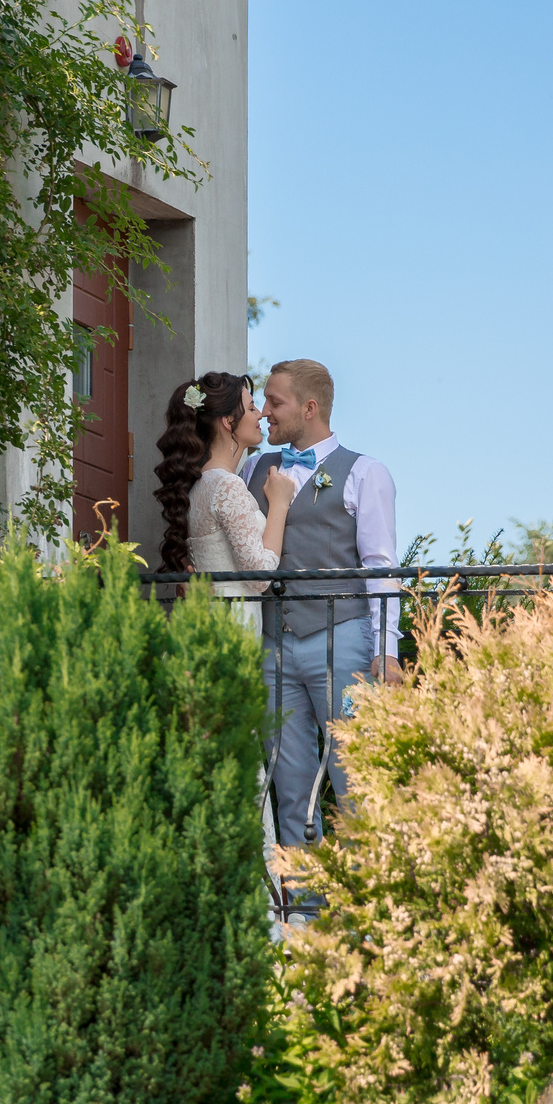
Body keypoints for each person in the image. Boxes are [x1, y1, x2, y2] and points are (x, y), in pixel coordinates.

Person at [242, 358, 401, 851]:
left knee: (354, 777)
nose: (265, 412)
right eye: (263, 401)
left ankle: (364, 894)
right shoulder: (252, 469)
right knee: (289, 784)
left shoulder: (365, 473)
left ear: (309, 408)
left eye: (275, 402)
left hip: (344, 640)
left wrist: (387, 650)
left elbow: (380, 565)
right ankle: (303, 896)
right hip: (273, 645)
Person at [153, 371, 296, 633]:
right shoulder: (228, 485)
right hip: (233, 620)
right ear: (229, 421)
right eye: (251, 408)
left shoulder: (197, 484)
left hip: (206, 616)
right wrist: (279, 504)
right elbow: (259, 576)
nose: (260, 415)